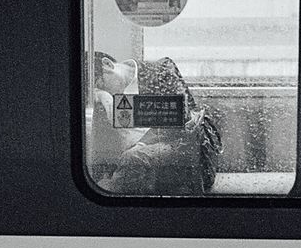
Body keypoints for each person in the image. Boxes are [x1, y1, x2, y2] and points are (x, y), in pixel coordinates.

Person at [90, 52, 221, 195]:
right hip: (133, 157)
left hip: (180, 143)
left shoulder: (161, 69)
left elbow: (180, 116)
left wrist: (140, 144)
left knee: (133, 159)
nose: (104, 91)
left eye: (101, 84)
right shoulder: (104, 99)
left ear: (108, 65)